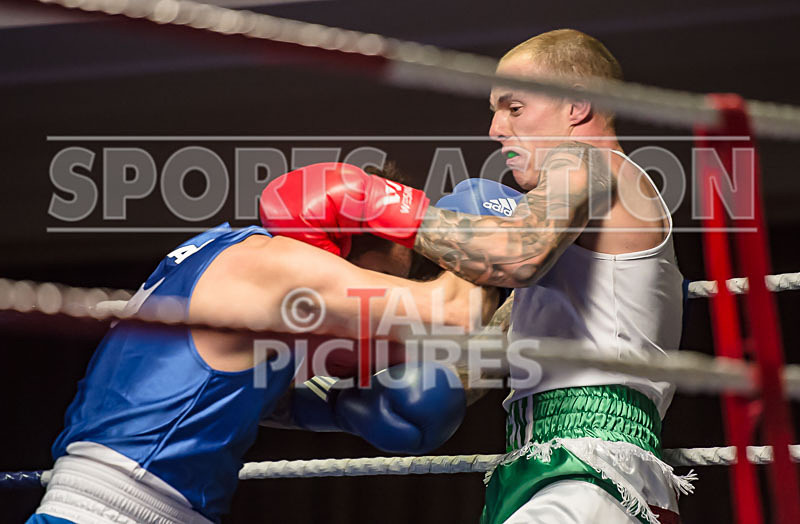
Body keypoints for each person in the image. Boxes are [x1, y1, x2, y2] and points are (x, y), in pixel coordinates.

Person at [260, 29, 690, 524]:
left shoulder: (586, 160)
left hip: (588, 471)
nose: (495, 129)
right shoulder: (577, 251)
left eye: (514, 107)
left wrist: (376, 204)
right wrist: (307, 401)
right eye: (495, 111)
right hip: (568, 465)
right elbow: (476, 364)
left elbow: (518, 255)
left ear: (577, 105)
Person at [27, 166, 489, 524]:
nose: (382, 303)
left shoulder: (219, 252)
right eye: (385, 278)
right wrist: (489, 230)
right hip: (115, 509)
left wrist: (338, 409)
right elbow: (455, 310)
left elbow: (196, 392)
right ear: (352, 250)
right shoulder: (281, 268)